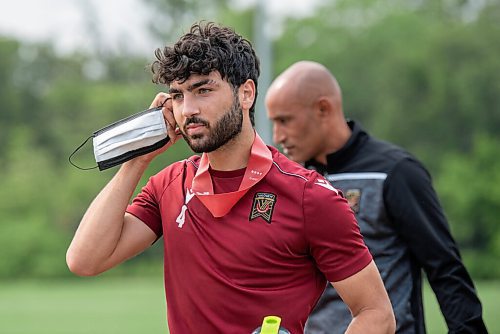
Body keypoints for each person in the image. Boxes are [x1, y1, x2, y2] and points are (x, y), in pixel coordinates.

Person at [66, 22, 396, 334]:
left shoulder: (311, 196)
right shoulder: (168, 184)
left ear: (246, 94)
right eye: (178, 96)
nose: (187, 110)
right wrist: (138, 159)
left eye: (203, 90)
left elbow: (376, 313)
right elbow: (85, 260)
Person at [265, 60, 488, 334]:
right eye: (273, 123)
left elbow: (445, 269)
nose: (278, 135)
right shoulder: (293, 180)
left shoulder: (396, 172)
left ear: (323, 109)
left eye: (285, 120)